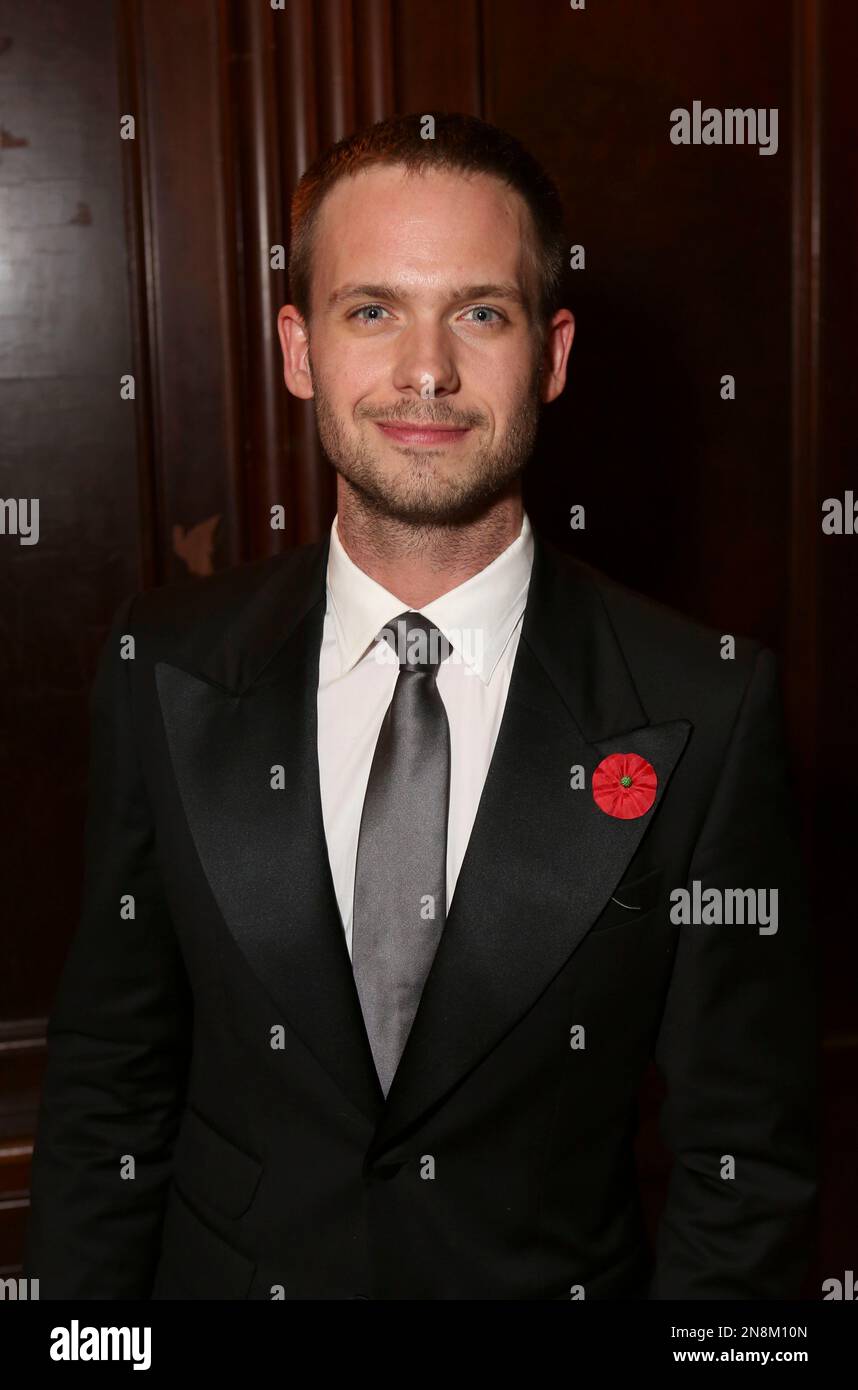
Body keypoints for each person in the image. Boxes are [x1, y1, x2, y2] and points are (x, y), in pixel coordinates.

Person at [26, 112, 818, 1300]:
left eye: (481, 312)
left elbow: (744, 1167)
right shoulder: (163, 660)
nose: (426, 370)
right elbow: (108, 1080)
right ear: (299, 349)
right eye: (373, 309)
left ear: (551, 355)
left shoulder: (709, 700)